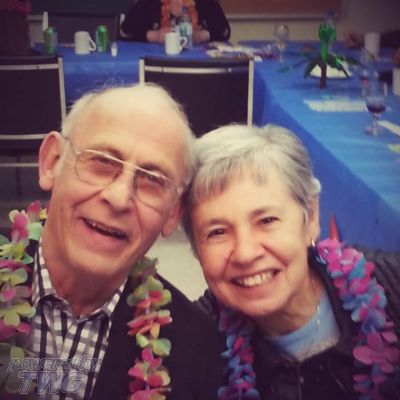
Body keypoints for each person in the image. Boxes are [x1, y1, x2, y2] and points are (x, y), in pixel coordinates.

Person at [0, 83, 224, 399]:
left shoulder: (197, 353)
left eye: (152, 180)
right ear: (52, 161)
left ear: (173, 212)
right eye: (102, 162)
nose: (119, 198)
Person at [182, 124, 400, 399]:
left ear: (311, 216)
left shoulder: (392, 287)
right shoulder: (190, 347)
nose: (246, 253)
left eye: (267, 220)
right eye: (217, 232)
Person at [119, 0, 230, 44]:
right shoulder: (149, 2)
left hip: (199, 67)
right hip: (157, 67)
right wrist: (155, 36)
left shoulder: (205, 2)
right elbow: (124, 33)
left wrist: (202, 35)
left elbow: (224, 31)